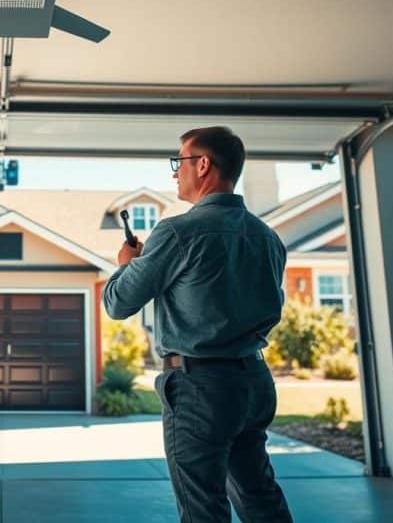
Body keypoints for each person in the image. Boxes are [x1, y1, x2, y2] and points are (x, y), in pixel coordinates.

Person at [103, 126, 293, 523]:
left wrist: (127, 265)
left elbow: (118, 303)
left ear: (203, 164)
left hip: (200, 391)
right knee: (260, 497)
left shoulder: (177, 232)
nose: (175, 173)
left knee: (203, 508)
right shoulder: (267, 237)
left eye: (180, 162)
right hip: (254, 382)